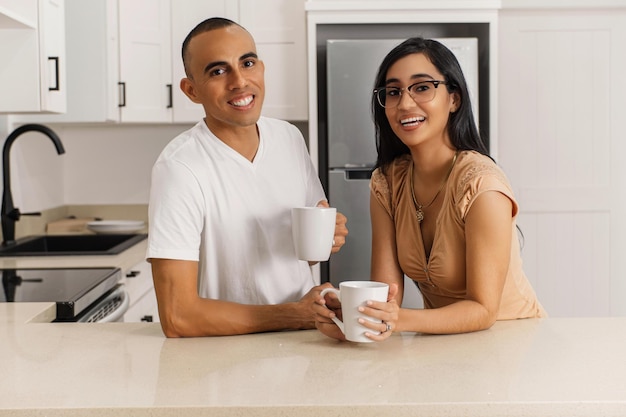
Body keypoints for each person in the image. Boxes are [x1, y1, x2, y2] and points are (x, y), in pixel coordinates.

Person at [315, 37, 545, 341]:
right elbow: (389, 299)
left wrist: (395, 320)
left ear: (454, 99)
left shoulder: (481, 185)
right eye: (394, 92)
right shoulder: (387, 181)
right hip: (443, 346)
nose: (405, 103)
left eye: (422, 87)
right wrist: (349, 316)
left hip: (513, 342)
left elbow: (483, 310)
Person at [147, 17, 347, 338]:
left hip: (302, 345)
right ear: (191, 90)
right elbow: (178, 317)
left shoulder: (289, 138)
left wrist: (327, 239)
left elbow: (305, 255)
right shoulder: (179, 167)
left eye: (247, 63)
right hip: (226, 357)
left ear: (262, 68)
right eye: (218, 71)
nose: (239, 81)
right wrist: (293, 314)